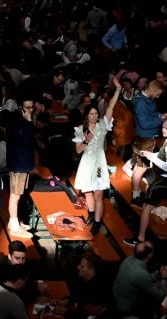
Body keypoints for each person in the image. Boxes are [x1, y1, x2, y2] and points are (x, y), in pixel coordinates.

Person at [123, 117, 167, 245]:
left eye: (166, 128)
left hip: (164, 182)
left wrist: (151, 157)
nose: (163, 130)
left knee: (146, 207)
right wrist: (152, 155)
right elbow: (166, 159)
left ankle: (140, 238)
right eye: (162, 127)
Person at [73, 77, 121, 235]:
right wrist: (85, 141)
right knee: (88, 192)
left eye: (95, 113)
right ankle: (92, 215)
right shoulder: (81, 129)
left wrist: (118, 90)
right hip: (87, 162)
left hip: (99, 162)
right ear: (87, 115)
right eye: (91, 114)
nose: (93, 116)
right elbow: (78, 151)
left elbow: (111, 108)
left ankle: (98, 222)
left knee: (99, 193)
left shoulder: (102, 125)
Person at [130, 80, 166, 206]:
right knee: (140, 169)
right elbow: (145, 124)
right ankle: (135, 196)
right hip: (145, 140)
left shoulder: (146, 100)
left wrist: (160, 115)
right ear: (153, 90)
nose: (158, 96)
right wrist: (160, 119)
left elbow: (151, 115)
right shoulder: (141, 103)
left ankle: (137, 192)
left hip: (145, 139)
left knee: (138, 168)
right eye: (158, 94)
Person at [113, 241, 167, 319]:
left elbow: (141, 278)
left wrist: (156, 274)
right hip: (126, 309)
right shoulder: (141, 273)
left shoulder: (128, 259)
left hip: (116, 299)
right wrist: (164, 278)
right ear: (149, 255)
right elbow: (160, 296)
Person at [6, 101, 36, 238]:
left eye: (32, 107)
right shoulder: (16, 122)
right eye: (27, 108)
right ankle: (13, 225)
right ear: (21, 108)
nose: (30, 110)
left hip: (23, 164)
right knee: (15, 195)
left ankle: (15, 221)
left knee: (18, 195)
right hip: (18, 165)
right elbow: (27, 139)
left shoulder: (22, 122)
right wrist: (29, 122)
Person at [57, 253, 112, 319]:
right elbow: (81, 298)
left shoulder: (97, 289)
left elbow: (87, 316)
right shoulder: (85, 280)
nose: (78, 267)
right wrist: (69, 300)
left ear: (91, 270)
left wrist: (65, 312)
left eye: (82, 266)